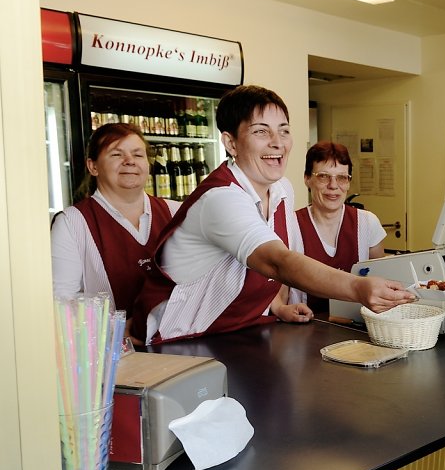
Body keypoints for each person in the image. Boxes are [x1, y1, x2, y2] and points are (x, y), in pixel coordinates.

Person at [131, 85, 414, 344]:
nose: (277, 142)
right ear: (231, 143)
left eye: (284, 130)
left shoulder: (281, 190)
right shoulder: (221, 199)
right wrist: (358, 287)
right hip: (176, 340)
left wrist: (277, 306)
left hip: (235, 330)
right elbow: (278, 262)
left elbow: (252, 276)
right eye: (261, 131)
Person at [51, 122, 180, 319]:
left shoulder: (175, 212)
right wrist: (115, 330)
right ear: (93, 166)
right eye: (117, 154)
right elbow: (62, 302)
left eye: (138, 155)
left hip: (178, 344)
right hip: (111, 348)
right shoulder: (71, 223)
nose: (130, 161)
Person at [296, 141, 386, 315]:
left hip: (357, 324)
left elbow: (379, 279)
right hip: (305, 326)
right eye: (323, 176)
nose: (333, 186)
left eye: (342, 177)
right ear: (307, 178)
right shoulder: (291, 224)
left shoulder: (367, 223)